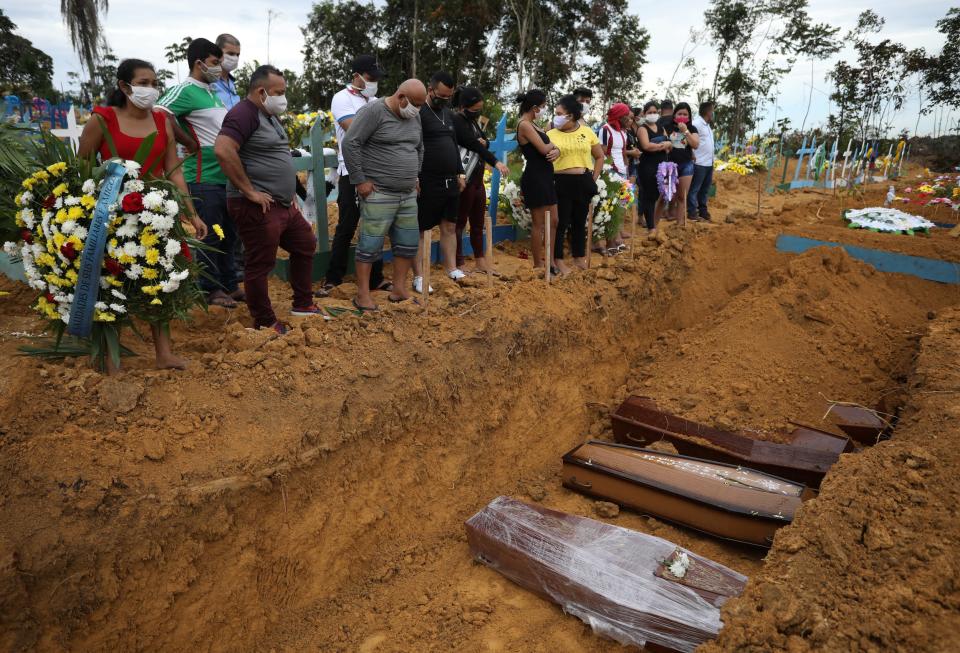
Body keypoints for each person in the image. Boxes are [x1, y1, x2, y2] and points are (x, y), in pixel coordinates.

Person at [77, 58, 207, 370]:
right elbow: (81, 167)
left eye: (154, 83)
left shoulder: (162, 121)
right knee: (112, 283)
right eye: (143, 83)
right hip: (112, 216)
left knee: (161, 280)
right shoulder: (102, 119)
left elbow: (173, 171)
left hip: (157, 214)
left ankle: (164, 353)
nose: (151, 89)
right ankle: (109, 355)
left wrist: (191, 213)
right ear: (124, 86)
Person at [215, 65, 322, 334]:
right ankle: (264, 320)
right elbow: (224, 150)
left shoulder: (268, 115)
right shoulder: (243, 114)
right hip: (257, 204)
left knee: (305, 242)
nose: (283, 98)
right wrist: (248, 191)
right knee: (260, 262)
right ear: (262, 92)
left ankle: (303, 303)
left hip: (282, 204)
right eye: (280, 92)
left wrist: (289, 194)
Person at [157, 38, 241, 309]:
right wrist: (187, 142)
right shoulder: (185, 89)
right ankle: (210, 288)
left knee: (228, 232)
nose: (219, 67)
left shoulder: (212, 91)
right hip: (203, 176)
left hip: (224, 175)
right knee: (211, 233)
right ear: (199, 63)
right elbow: (159, 113)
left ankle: (230, 284)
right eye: (215, 63)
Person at [342, 79, 426, 311]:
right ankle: (362, 295)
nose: (417, 110)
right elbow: (351, 143)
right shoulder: (373, 111)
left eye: (420, 106)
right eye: (415, 104)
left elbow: (419, 147)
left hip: (407, 193)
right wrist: (360, 180)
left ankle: (398, 289)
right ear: (401, 97)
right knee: (370, 245)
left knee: (407, 244)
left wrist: (415, 176)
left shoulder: (413, 115)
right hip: (379, 192)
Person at [318, 54, 389, 296]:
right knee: (347, 225)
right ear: (356, 76)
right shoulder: (342, 98)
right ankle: (333, 278)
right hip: (352, 171)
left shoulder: (377, 101)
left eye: (376, 79)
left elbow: (385, 130)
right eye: (370, 78)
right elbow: (354, 129)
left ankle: (376, 278)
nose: (374, 83)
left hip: (377, 171)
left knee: (375, 226)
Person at [452, 86, 510, 275]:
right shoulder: (457, 120)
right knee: (459, 223)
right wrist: (496, 162)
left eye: (480, 109)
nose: (478, 112)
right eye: (475, 109)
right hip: (465, 178)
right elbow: (472, 144)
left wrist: (482, 143)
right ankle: (458, 262)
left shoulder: (473, 121)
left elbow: (484, 141)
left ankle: (480, 261)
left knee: (478, 223)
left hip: (477, 180)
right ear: (464, 106)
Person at [414, 72, 463, 290]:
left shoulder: (448, 114)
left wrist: (460, 171)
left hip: (450, 181)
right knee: (423, 230)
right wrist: (414, 175)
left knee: (450, 226)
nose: (444, 100)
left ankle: (451, 268)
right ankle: (420, 277)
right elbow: (412, 146)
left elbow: (454, 144)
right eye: (441, 96)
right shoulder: (418, 113)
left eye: (448, 97)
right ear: (430, 89)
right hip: (427, 180)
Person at [547, 95, 603, 271]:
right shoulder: (549, 134)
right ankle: (558, 259)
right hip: (560, 182)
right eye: (555, 113)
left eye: (559, 113)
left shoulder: (587, 132)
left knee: (580, 222)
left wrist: (592, 177)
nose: (555, 117)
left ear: (570, 115)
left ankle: (579, 257)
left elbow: (599, 156)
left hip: (583, 181)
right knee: (560, 222)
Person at [515, 89, 560, 274]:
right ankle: (538, 265)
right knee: (539, 223)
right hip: (535, 177)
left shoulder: (536, 125)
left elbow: (552, 147)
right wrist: (555, 147)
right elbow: (543, 149)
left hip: (547, 176)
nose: (544, 110)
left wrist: (557, 149)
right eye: (542, 107)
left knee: (555, 220)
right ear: (534, 108)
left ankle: (550, 260)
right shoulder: (524, 125)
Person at [661, 101, 699, 227]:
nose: (682, 116)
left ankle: (679, 224)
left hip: (686, 165)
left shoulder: (692, 129)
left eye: (685, 114)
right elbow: (663, 144)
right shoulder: (667, 127)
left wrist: (686, 131)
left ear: (689, 117)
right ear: (674, 115)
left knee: (682, 197)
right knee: (666, 195)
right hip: (670, 166)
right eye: (679, 113)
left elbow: (695, 144)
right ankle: (657, 223)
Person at [637, 101, 672, 235]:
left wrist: (666, 144)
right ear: (644, 114)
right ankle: (651, 227)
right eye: (649, 112)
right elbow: (646, 146)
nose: (652, 115)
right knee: (649, 196)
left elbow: (670, 144)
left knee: (660, 195)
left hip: (662, 166)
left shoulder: (660, 127)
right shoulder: (642, 129)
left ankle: (654, 223)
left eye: (654, 112)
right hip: (648, 166)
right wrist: (663, 145)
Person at [688, 101, 715, 221]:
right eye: (712, 111)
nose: (713, 113)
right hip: (699, 163)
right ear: (708, 112)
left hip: (709, 163)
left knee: (704, 190)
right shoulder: (696, 123)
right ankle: (692, 212)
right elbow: (690, 140)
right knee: (695, 189)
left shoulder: (707, 125)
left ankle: (703, 211)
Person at [212, 34, 242, 110]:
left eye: (237, 55)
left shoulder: (232, 82)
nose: (235, 58)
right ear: (217, 53)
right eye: (231, 54)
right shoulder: (209, 81)